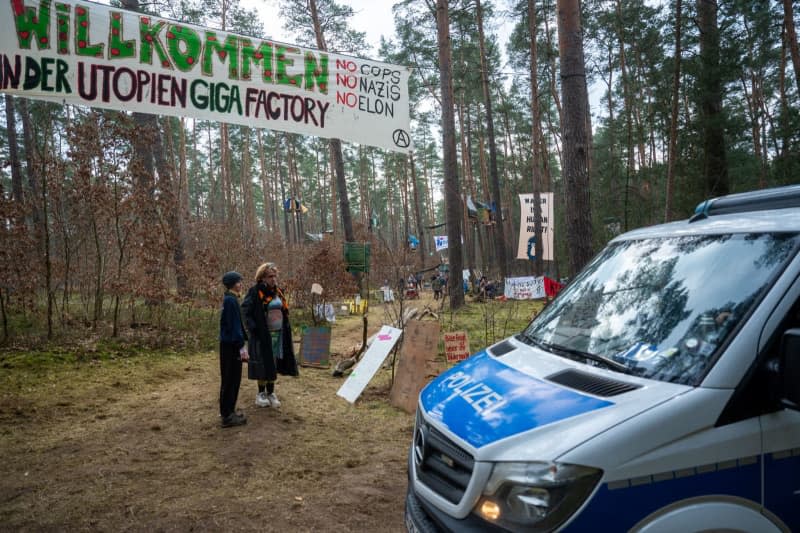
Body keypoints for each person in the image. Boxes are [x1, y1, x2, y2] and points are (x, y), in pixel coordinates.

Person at [241, 263, 299, 408]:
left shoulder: (278, 292)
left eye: (275, 276)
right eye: (270, 276)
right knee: (262, 363)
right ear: (262, 278)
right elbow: (245, 311)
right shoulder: (255, 292)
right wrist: (254, 329)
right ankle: (261, 394)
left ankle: (271, 392)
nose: (274, 279)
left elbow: (283, 310)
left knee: (273, 362)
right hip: (262, 335)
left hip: (278, 334)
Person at [219, 271, 248, 428]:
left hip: (229, 345)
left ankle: (229, 411)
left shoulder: (230, 299)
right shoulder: (230, 301)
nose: (240, 284)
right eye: (238, 282)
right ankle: (227, 416)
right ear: (232, 284)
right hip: (231, 346)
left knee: (230, 379)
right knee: (231, 380)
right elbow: (234, 325)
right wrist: (241, 345)